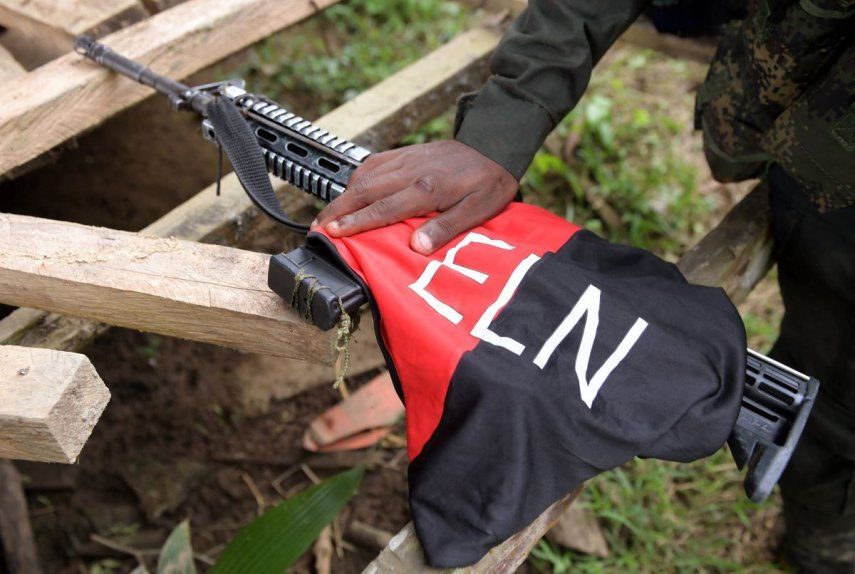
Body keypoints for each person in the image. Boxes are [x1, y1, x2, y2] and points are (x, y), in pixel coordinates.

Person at [314, 1, 855, 571]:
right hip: (825, 142)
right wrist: (498, 131)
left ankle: (826, 529)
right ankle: (826, 526)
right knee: (834, 358)